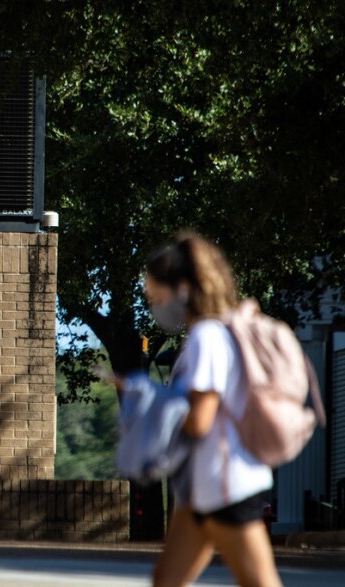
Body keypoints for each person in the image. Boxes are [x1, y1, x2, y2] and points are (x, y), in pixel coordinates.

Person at [143, 232, 282, 587]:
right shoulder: (208, 335)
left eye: (157, 295)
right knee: (167, 580)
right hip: (202, 484)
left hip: (227, 486)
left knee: (259, 582)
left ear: (185, 289)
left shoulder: (207, 337)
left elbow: (201, 417)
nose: (154, 305)